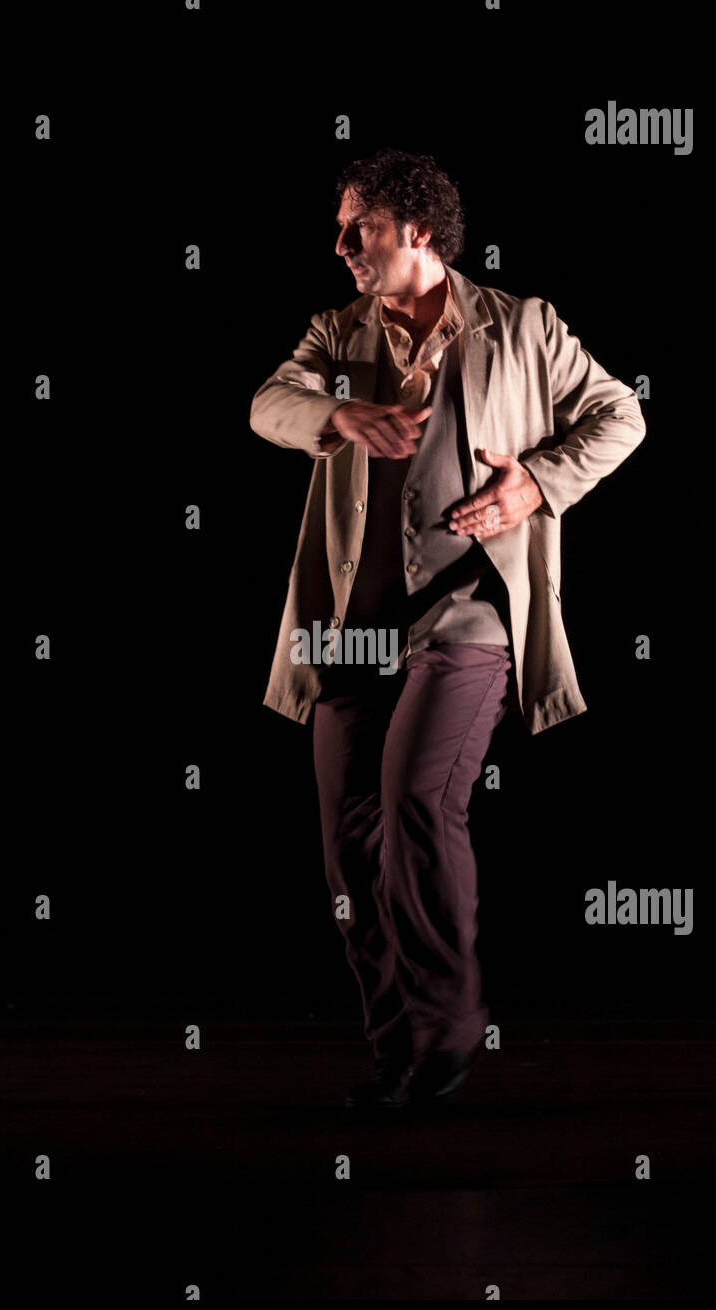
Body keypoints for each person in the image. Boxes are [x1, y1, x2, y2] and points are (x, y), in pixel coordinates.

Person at [249, 149, 646, 1108]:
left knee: (418, 802)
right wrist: (342, 415)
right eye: (343, 230)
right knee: (350, 846)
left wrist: (535, 483)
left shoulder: (524, 326)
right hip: (353, 629)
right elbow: (268, 405)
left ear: (417, 231)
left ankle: (452, 1025)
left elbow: (619, 413)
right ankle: (399, 1053)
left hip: (467, 614)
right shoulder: (334, 333)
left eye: (362, 228)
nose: (342, 245)